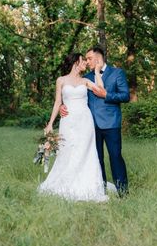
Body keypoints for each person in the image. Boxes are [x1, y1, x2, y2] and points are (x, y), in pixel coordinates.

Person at [60, 46, 130, 197]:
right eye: (85, 59)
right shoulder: (86, 78)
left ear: (98, 59)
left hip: (111, 124)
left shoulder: (117, 73)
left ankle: (123, 192)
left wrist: (107, 95)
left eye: (89, 59)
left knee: (115, 157)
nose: (87, 62)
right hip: (90, 125)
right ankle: (100, 189)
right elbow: (73, 95)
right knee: (96, 159)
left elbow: (125, 96)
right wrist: (62, 106)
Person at [38, 53, 108, 202]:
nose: (86, 63)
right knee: (67, 150)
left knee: (85, 150)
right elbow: (58, 102)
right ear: (76, 62)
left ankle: (87, 185)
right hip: (68, 121)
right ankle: (65, 182)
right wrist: (50, 124)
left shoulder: (86, 81)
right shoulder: (61, 80)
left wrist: (96, 72)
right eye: (84, 61)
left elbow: (101, 90)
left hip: (85, 121)